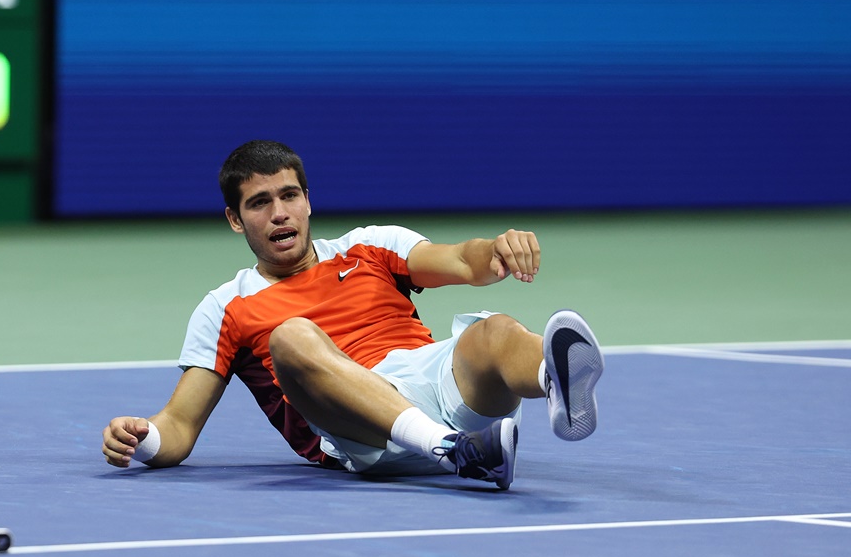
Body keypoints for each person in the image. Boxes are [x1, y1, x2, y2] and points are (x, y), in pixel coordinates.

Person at [102, 140, 604, 489]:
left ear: (308, 201)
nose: (279, 213)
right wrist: (142, 440)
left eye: (289, 196)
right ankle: (453, 449)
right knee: (292, 337)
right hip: (359, 429)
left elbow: (458, 259)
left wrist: (497, 249)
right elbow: (180, 426)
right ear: (235, 220)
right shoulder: (225, 307)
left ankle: (554, 377)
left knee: (493, 329)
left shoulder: (368, 246)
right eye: (259, 203)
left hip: (441, 385)